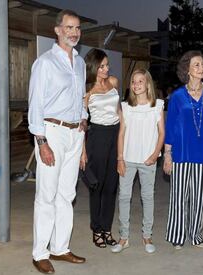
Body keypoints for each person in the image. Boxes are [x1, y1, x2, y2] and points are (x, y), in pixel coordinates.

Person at [28, 9, 87, 274]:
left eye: (77, 28)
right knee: (47, 195)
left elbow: (80, 98)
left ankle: (60, 247)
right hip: (51, 133)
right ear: (57, 30)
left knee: (67, 194)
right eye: (69, 27)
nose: (74, 32)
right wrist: (41, 141)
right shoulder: (45, 63)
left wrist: (84, 120)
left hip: (76, 134)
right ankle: (40, 253)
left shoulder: (81, 62)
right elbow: (35, 105)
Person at [163, 50, 203, 249]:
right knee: (179, 197)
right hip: (181, 153)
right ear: (187, 68)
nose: (201, 68)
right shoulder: (177, 96)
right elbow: (170, 127)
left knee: (199, 198)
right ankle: (177, 236)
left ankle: (195, 234)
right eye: (196, 64)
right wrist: (167, 155)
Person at [111, 69, 165, 254]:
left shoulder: (157, 106)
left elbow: (162, 133)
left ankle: (147, 236)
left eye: (140, 81)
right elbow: (121, 134)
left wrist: (155, 154)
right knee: (124, 198)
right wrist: (120, 158)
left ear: (148, 84)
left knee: (147, 197)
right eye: (134, 82)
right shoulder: (126, 107)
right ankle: (124, 237)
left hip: (148, 161)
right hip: (127, 159)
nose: (136, 85)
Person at [81, 48, 120, 248]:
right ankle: (96, 229)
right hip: (97, 137)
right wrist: (83, 152)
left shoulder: (114, 83)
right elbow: (82, 126)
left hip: (115, 135)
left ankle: (107, 228)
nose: (106, 69)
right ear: (93, 67)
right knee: (97, 186)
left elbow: (119, 113)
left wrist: (122, 144)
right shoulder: (87, 93)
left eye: (107, 65)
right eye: (102, 66)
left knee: (111, 187)